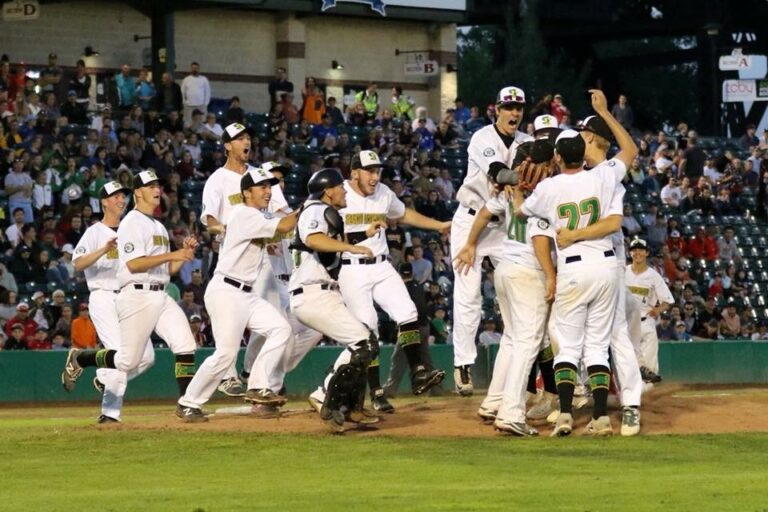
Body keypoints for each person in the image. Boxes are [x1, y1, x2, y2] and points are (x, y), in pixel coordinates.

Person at [516, 89, 638, 437]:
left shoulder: (550, 188)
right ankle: (600, 418)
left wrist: (517, 189)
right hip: (605, 266)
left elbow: (520, 211)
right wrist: (606, 112)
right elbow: (630, 151)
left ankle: (566, 414)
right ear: (581, 153)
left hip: (572, 266)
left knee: (567, 345)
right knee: (598, 346)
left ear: (558, 155)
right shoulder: (603, 176)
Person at [311, 150, 448, 413]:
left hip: (382, 264)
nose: (375, 176)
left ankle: (419, 373)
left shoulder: (384, 192)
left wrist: (438, 226)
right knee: (368, 330)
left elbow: (404, 215)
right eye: (369, 171)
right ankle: (375, 392)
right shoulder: (340, 196)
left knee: (408, 313)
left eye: (378, 171)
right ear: (354, 173)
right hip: (352, 269)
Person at [61, 170, 200, 421]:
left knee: (150, 357)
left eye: (121, 195)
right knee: (123, 358)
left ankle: (186, 402)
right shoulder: (106, 229)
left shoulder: (155, 225)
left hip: (153, 292)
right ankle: (109, 411)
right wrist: (103, 250)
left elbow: (165, 269)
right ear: (104, 201)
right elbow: (83, 264)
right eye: (114, 196)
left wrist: (183, 254)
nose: (120, 199)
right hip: (112, 294)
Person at [454, 142, 556, 437]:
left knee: (512, 339)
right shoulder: (546, 193)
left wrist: (471, 243)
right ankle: (511, 413)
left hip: (506, 268)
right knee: (528, 341)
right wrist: (551, 275)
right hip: (528, 271)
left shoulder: (512, 191)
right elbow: (539, 239)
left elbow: (485, 212)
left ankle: (494, 401)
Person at [178, 167, 297, 417]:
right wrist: (310, 206)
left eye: (270, 187)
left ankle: (257, 385)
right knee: (225, 355)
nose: (269, 192)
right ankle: (188, 402)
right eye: (262, 187)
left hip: (245, 294)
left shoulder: (255, 216)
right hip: (226, 291)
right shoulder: (244, 214)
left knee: (281, 328)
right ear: (246, 192)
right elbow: (284, 225)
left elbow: (278, 230)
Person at [557, 113, 645, 436]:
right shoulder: (585, 173)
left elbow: (630, 150)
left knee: (616, 333)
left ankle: (631, 404)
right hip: (586, 263)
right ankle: (584, 396)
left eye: (582, 131)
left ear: (591, 137)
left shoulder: (608, 171)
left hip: (609, 257)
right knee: (586, 337)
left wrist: (607, 113)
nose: (578, 136)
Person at [450, 86, 532, 396]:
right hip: (471, 219)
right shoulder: (482, 137)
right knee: (469, 295)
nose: (514, 113)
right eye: (508, 107)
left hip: (505, 224)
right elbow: (499, 173)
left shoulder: (528, 142)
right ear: (495, 109)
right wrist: (530, 178)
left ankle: (520, 365)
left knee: (515, 290)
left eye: (518, 107)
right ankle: (463, 364)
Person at [199, 123, 291, 396]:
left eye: (248, 137)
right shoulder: (217, 179)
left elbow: (281, 209)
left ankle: (256, 374)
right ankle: (228, 374)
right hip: (233, 252)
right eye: (239, 138)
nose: (246, 142)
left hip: (262, 253)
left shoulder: (259, 176)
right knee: (229, 315)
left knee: (275, 316)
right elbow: (210, 218)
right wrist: (224, 229)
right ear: (227, 145)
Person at [291, 168, 382, 431]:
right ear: (327, 191)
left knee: (367, 344)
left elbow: (329, 240)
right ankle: (324, 396)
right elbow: (314, 239)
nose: (344, 191)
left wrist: (363, 234)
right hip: (313, 294)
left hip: (319, 293)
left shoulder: (320, 211)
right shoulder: (315, 209)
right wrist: (352, 247)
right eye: (340, 187)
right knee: (363, 344)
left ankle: (351, 407)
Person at [382, 262, 441, 398]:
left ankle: (390, 389)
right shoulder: (418, 286)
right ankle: (437, 389)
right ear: (412, 273)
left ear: (399, 273)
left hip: (411, 327)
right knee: (425, 359)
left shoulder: (401, 288)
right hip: (424, 326)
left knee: (398, 358)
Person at [625, 238, 674, 384]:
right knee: (629, 363)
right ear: (630, 253)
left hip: (646, 322)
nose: (637, 253)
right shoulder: (623, 272)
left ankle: (647, 399)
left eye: (641, 250)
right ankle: (631, 397)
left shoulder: (653, 275)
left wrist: (658, 310)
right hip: (626, 324)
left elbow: (668, 301)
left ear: (646, 253)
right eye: (634, 250)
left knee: (649, 366)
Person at [181, 62, 210, 127]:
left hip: (201, 105)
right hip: (189, 106)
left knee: (201, 122)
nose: (194, 69)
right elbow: (182, 92)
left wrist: (205, 104)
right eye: (193, 68)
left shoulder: (204, 79)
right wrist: (184, 103)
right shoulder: (186, 79)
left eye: (196, 68)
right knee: (188, 122)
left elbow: (207, 92)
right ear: (191, 69)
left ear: (199, 69)